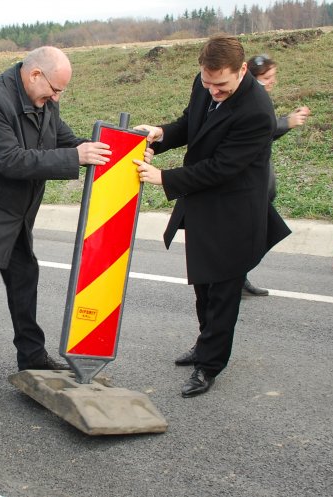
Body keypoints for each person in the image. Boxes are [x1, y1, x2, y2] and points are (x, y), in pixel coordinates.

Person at [0, 46, 112, 414]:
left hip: (13, 212)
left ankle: (32, 355)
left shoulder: (44, 100)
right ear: (35, 74)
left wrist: (114, 151)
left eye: (60, 92)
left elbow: (66, 141)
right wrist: (76, 157)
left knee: (25, 278)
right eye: (55, 89)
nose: (56, 98)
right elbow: (11, 160)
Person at [134, 35, 290, 397]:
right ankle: (205, 343)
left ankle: (209, 366)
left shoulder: (257, 111)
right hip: (204, 203)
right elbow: (191, 123)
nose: (213, 91)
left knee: (223, 293)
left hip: (235, 210)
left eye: (221, 86)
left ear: (242, 70)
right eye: (208, 83)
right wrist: (160, 134)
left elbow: (222, 168)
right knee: (203, 286)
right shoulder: (205, 82)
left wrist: (164, 178)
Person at [241, 54, 311, 296]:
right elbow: (258, 129)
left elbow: (264, 131)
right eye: (267, 77)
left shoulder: (257, 96)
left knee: (259, 233)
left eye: (273, 76)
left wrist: (286, 123)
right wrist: (286, 123)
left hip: (260, 184)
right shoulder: (249, 97)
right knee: (257, 234)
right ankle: (233, 279)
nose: (272, 81)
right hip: (250, 184)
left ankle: (237, 278)